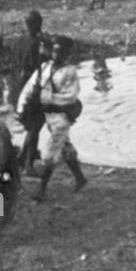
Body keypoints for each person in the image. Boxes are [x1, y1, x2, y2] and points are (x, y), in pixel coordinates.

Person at [16, 34, 88, 202]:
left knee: (50, 151)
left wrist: (47, 101)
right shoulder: (45, 67)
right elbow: (29, 88)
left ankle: (41, 190)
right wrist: (22, 108)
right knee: (65, 147)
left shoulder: (70, 72)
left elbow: (70, 97)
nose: (57, 54)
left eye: (61, 52)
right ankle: (80, 179)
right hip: (47, 114)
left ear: (68, 54)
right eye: (55, 50)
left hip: (62, 115)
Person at [11, 9, 49, 172]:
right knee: (36, 126)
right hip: (32, 87)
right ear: (38, 25)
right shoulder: (37, 43)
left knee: (33, 125)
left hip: (19, 86)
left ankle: (22, 158)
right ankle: (28, 165)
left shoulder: (18, 41)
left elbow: (14, 64)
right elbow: (41, 65)